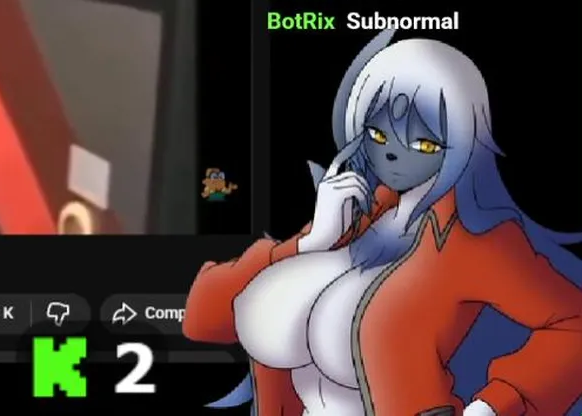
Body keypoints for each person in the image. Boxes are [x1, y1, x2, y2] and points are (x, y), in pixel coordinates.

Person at [183, 30, 582, 416]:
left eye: (423, 143)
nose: (392, 154)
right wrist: (311, 242)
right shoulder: (354, 212)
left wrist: (493, 405)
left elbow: (574, 326)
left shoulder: (475, 240)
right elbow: (202, 317)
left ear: (461, 143)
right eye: (377, 134)